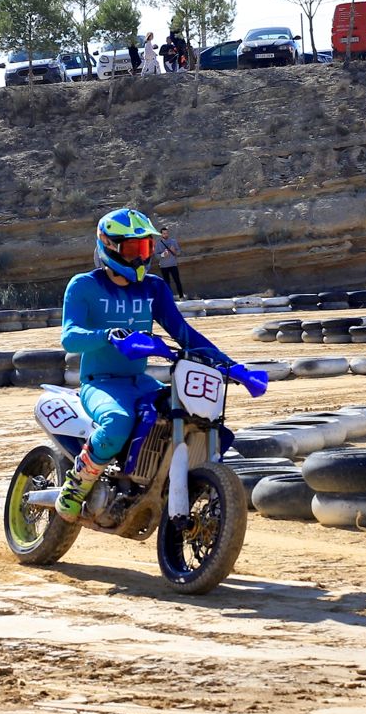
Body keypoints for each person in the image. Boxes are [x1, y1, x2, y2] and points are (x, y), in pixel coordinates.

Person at [53, 208, 247, 520]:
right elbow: (70, 338)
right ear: (111, 247)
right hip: (100, 382)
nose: (142, 257)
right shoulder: (84, 285)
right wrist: (109, 336)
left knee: (187, 417)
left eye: (146, 248)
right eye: (134, 249)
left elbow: (183, 333)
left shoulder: (154, 288)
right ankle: (76, 485)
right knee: (117, 424)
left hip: (140, 382)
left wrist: (232, 366)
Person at [155, 225, 184, 297]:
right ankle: (169, 298)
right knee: (167, 282)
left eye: (167, 233)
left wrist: (175, 251)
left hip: (173, 264)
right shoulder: (158, 243)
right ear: (161, 234)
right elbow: (156, 256)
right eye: (164, 233)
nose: (166, 234)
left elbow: (179, 252)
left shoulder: (173, 241)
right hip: (163, 266)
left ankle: (181, 296)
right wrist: (162, 255)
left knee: (177, 281)